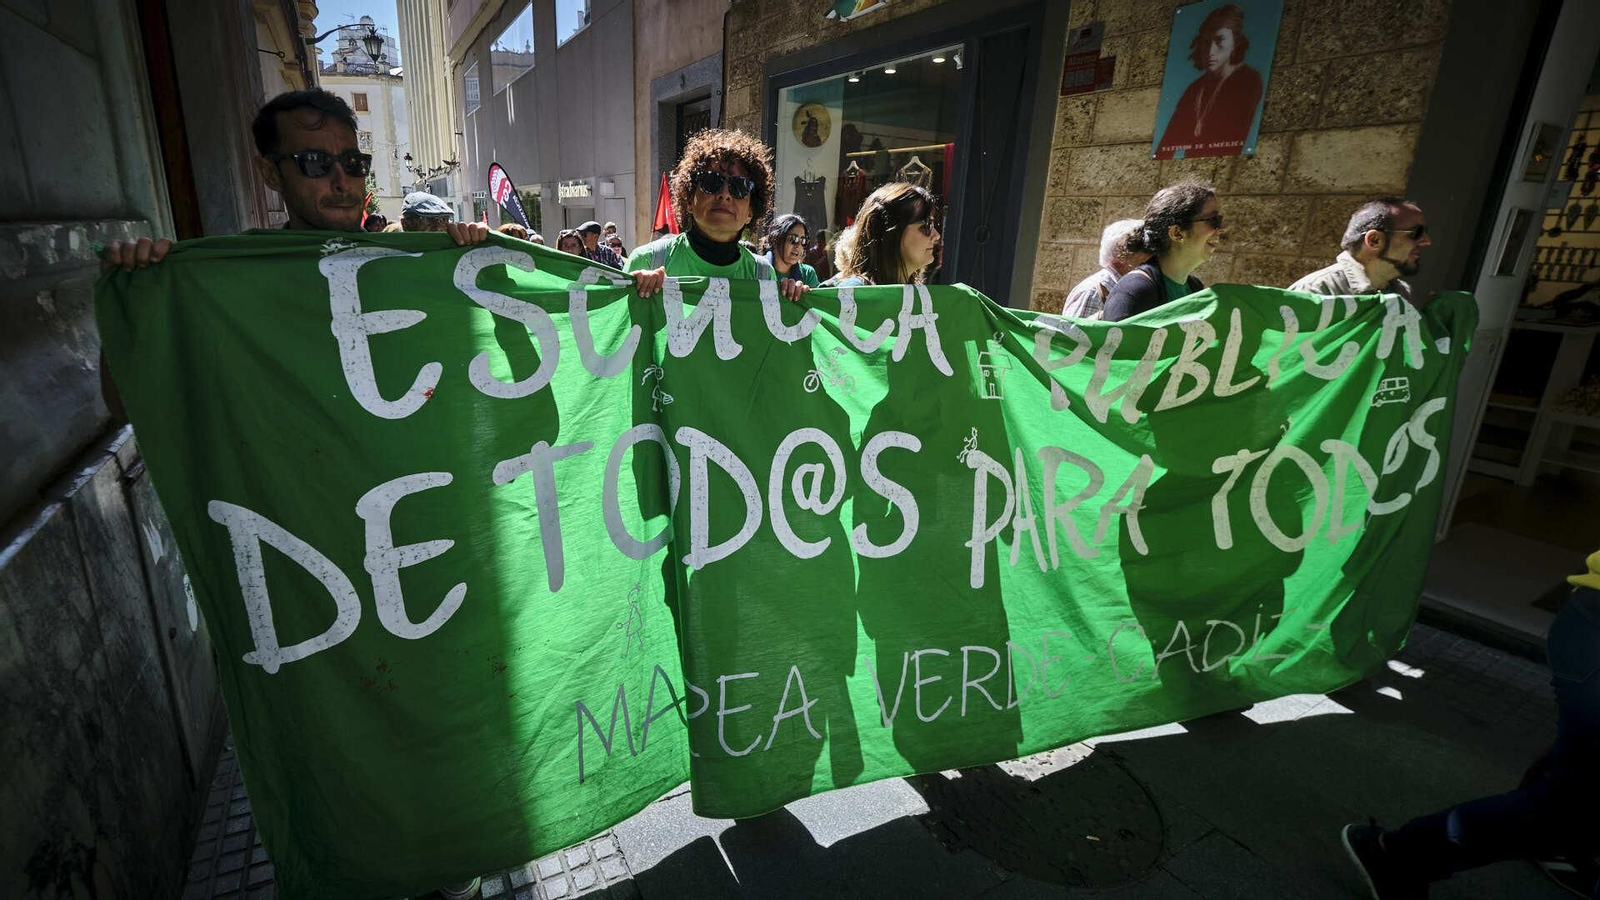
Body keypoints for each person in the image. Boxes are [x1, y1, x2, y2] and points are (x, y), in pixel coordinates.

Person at [1341, 551, 1600, 899]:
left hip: (1588, 622)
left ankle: (1557, 838)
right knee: (1565, 802)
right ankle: (1399, 855)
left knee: (1571, 791)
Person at [625, 128, 807, 302]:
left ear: (751, 211)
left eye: (739, 186)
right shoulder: (647, 261)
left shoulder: (763, 275)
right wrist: (632, 293)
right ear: (689, 200)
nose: (725, 194)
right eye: (711, 182)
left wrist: (795, 301)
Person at [1101, 182, 1225, 321]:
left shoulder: (1195, 288)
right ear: (1177, 233)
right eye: (1213, 220)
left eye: (1220, 219)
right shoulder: (1135, 291)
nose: (1223, 228)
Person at [1154, 4, 1264, 160]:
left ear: (1236, 42)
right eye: (1206, 42)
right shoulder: (1195, 88)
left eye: (1220, 40)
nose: (1211, 51)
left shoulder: (1248, 79)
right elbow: (1167, 143)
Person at [1289, 198, 1431, 306]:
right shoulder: (1316, 292)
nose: (1427, 241)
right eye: (1417, 233)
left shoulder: (1403, 294)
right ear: (1374, 240)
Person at [827, 182, 941, 287]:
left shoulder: (916, 292)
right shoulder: (854, 290)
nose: (936, 236)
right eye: (927, 225)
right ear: (892, 233)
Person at [1061, 219, 1150, 319]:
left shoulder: (1124, 285)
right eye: (1141, 247)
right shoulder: (1094, 292)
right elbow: (1075, 329)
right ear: (1121, 252)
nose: (1150, 254)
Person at [760, 213, 820, 287]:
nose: (798, 245)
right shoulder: (756, 267)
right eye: (793, 239)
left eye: (803, 240)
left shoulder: (807, 273)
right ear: (776, 239)